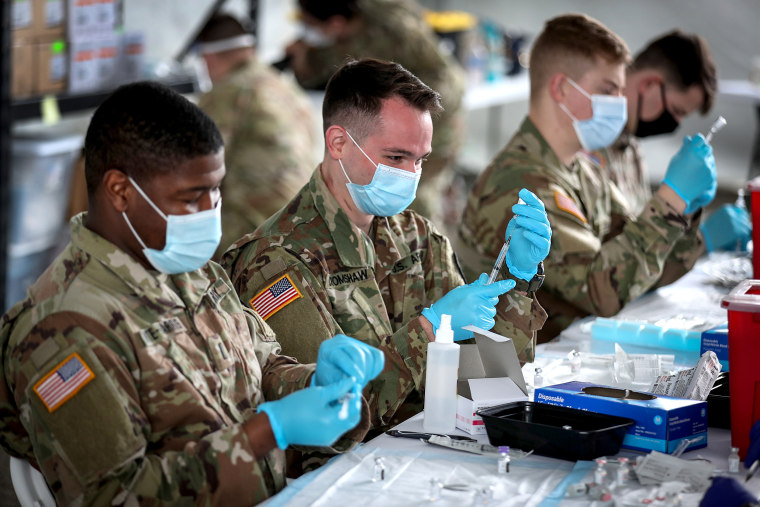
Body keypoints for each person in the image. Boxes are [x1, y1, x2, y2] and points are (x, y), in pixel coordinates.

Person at [0, 81, 384, 505]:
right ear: (120, 191)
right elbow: (117, 496)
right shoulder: (65, 327)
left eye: (216, 190)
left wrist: (316, 384)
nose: (210, 211)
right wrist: (265, 433)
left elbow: (262, 367)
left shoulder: (191, 271)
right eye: (190, 197)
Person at [222, 58, 550, 438]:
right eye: (395, 157)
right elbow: (332, 418)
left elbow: (490, 379)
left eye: (420, 159)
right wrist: (427, 330)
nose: (410, 175)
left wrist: (518, 278)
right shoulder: (277, 261)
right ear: (339, 143)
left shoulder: (416, 235)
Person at [458, 13, 719, 342]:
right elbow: (603, 293)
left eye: (621, 91)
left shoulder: (584, 172)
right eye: (608, 90)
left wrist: (684, 210)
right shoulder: (523, 184)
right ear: (562, 89)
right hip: (514, 378)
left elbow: (639, 270)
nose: (619, 106)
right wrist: (671, 199)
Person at [284, 0, 466, 230]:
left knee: (414, 193)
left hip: (434, 113)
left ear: (337, 24)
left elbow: (317, 69)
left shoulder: (377, 38)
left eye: (310, 25)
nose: (309, 31)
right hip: (440, 99)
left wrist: (304, 59)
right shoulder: (375, 10)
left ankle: (419, 249)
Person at [592, 30, 750, 253]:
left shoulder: (629, 145)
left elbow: (639, 239)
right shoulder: (586, 140)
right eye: (676, 111)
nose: (676, 123)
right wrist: (699, 241)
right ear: (649, 85)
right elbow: (613, 267)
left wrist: (686, 217)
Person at [196, 14, 319, 256]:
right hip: (303, 225)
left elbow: (196, 167)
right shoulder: (286, 88)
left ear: (208, 59)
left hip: (253, 231)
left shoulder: (228, 91)